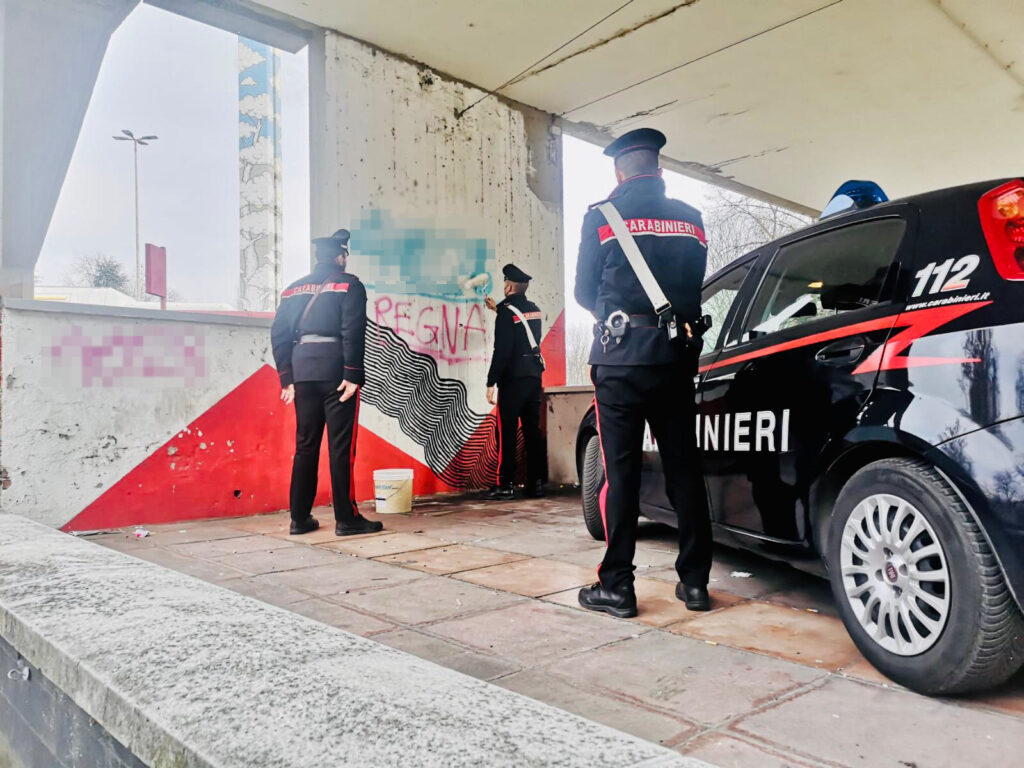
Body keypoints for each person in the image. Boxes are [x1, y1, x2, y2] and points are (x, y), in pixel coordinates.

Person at [574, 128, 712, 617]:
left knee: (622, 472)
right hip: (676, 358)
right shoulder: (692, 220)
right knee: (684, 470)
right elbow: (692, 288)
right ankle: (695, 584)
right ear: (660, 170)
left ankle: (617, 587)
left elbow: (585, 294)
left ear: (618, 172)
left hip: (620, 358)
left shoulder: (602, 217)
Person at [270, 229, 383, 537]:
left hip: (302, 371)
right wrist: (352, 374)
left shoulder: (292, 290)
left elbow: (279, 335)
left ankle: (299, 518)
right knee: (340, 448)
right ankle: (347, 519)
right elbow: (353, 330)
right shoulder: (349, 285)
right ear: (340, 257)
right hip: (336, 371)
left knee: (305, 446)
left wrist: (286, 378)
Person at [484, 263, 545, 500]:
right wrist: (497, 308)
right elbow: (520, 324)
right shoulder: (535, 310)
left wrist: (491, 382)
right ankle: (536, 484)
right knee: (532, 432)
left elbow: (503, 350)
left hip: (512, 381)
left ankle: (505, 484)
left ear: (508, 285)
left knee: (506, 432)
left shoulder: (506, 314)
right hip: (533, 377)